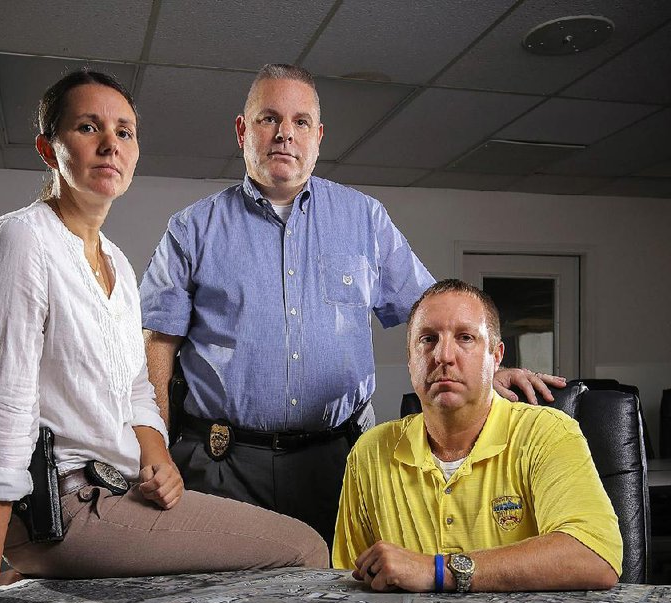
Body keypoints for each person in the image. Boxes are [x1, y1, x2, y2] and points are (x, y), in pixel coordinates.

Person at [0, 70, 328, 603]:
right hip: (67, 510)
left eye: (124, 132)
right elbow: (2, 407)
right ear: (48, 149)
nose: (109, 145)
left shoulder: (115, 262)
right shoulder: (21, 241)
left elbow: (137, 390)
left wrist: (157, 458)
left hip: (120, 493)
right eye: (88, 127)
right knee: (306, 548)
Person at [140, 64, 564, 548]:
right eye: (268, 119)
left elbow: (435, 309)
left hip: (338, 464)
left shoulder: (364, 219)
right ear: (242, 130)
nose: (285, 134)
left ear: (318, 137)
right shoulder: (192, 228)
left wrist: (484, 368)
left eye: (301, 122)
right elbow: (160, 341)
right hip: (223, 466)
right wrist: (155, 447)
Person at [332, 279, 622, 592]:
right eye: (428, 339)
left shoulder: (547, 433)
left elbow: (594, 555)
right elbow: (351, 581)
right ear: (410, 360)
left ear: (496, 356)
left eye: (465, 338)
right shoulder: (371, 452)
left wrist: (439, 571)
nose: (443, 355)